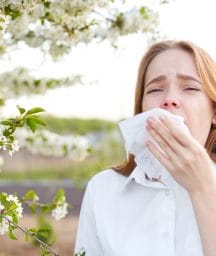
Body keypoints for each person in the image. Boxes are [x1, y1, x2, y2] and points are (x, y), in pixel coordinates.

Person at [74, 40, 216, 256]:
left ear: (214, 111)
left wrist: (203, 188)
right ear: (141, 109)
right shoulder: (103, 189)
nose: (169, 100)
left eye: (190, 87)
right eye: (156, 89)